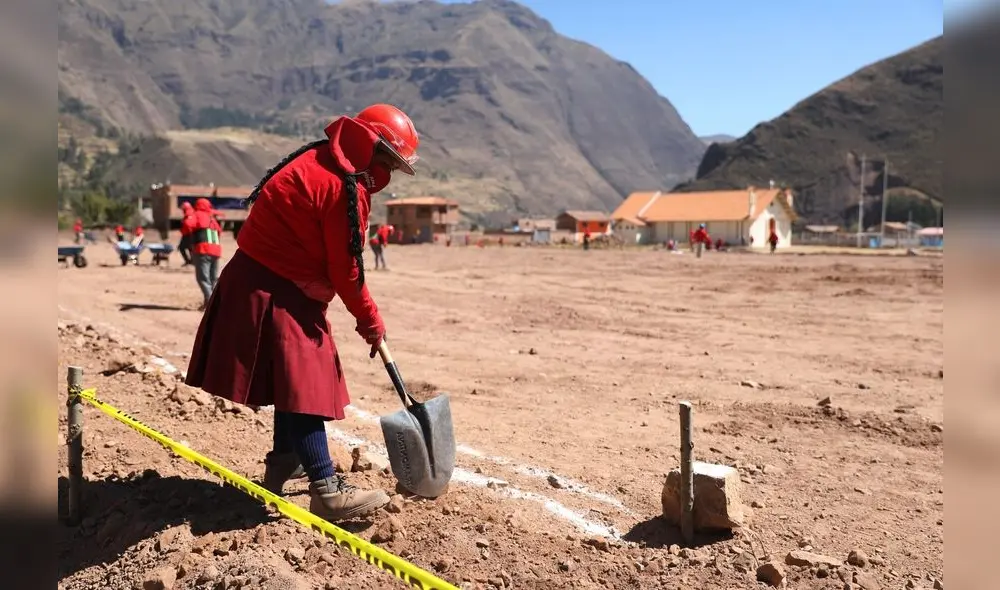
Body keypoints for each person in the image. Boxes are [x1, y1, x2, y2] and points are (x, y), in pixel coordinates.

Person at [184, 104, 419, 522]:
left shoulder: (320, 159)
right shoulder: (342, 188)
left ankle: (283, 464)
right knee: (305, 378)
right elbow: (346, 270)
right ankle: (326, 490)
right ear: (369, 148)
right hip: (271, 286)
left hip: (264, 281)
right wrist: (371, 321)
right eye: (389, 163)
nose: (388, 175)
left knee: (291, 377)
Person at [183, 198, 223, 309]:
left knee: (203, 279)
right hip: (216, 250)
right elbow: (219, 231)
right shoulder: (212, 217)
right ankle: (209, 303)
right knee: (213, 278)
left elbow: (187, 224)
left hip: (203, 250)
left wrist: (188, 212)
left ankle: (211, 305)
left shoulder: (197, 214)